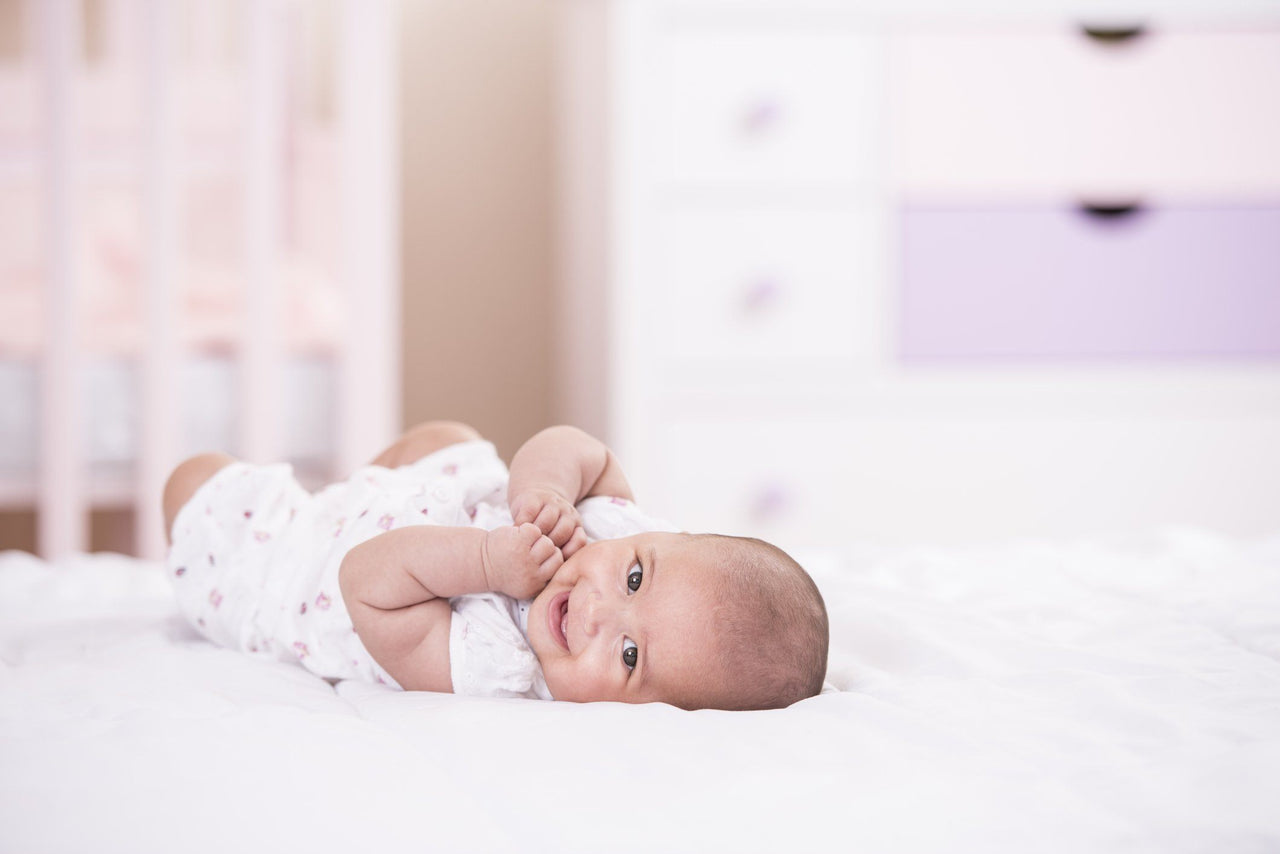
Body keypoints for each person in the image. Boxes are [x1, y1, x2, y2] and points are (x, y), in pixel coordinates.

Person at [163, 422, 829, 710]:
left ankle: (317, 508)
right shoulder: (618, 531)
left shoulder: (497, 665)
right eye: (634, 579)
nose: (599, 612)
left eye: (629, 656)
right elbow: (576, 448)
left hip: (304, 566)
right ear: (668, 536)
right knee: (447, 438)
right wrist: (543, 493)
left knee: (194, 482)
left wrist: (487, 560)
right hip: (420, 502)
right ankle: (355, 489)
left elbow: (366, 581)